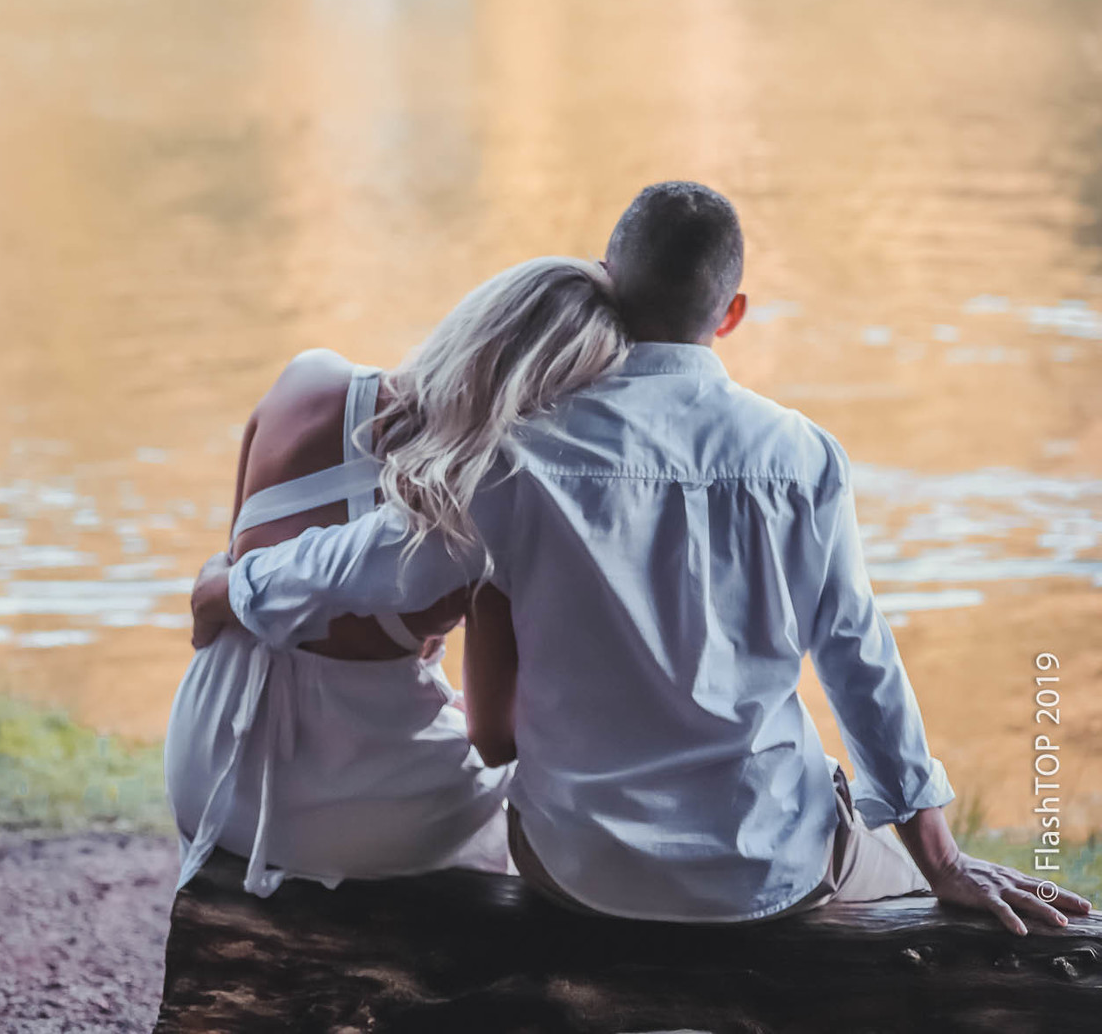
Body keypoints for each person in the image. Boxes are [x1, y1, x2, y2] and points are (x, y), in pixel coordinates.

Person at [192, 182, 1092, 934]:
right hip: (768, 868)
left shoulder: (515, 458)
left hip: (582, 870)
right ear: (731, 313)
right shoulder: (804, 454)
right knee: (890, 874)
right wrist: (938, 853)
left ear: (610, 280)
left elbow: (370, 562)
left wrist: (235, 588)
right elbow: (860, 657)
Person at [166, 255, 627, 896]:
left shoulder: (307, 384)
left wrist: (220, 591)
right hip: (351, 811)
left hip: (210, 760)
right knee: (527, 787)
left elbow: (235, 562)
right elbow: (493, 737)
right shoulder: (485, 510)